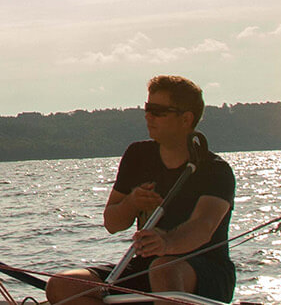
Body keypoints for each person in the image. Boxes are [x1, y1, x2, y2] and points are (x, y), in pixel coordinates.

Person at [45, 75, 236, 303]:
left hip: (205, 272)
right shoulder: (137, 156)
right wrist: (132, 203)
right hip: (145, 267)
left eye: (158, 111)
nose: (148, 116)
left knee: (163, 269)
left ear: (186, 119)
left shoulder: (215, 170)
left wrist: (167, 242)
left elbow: (203, 227)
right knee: (62, 285)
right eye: (147, 108)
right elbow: (112, 223)